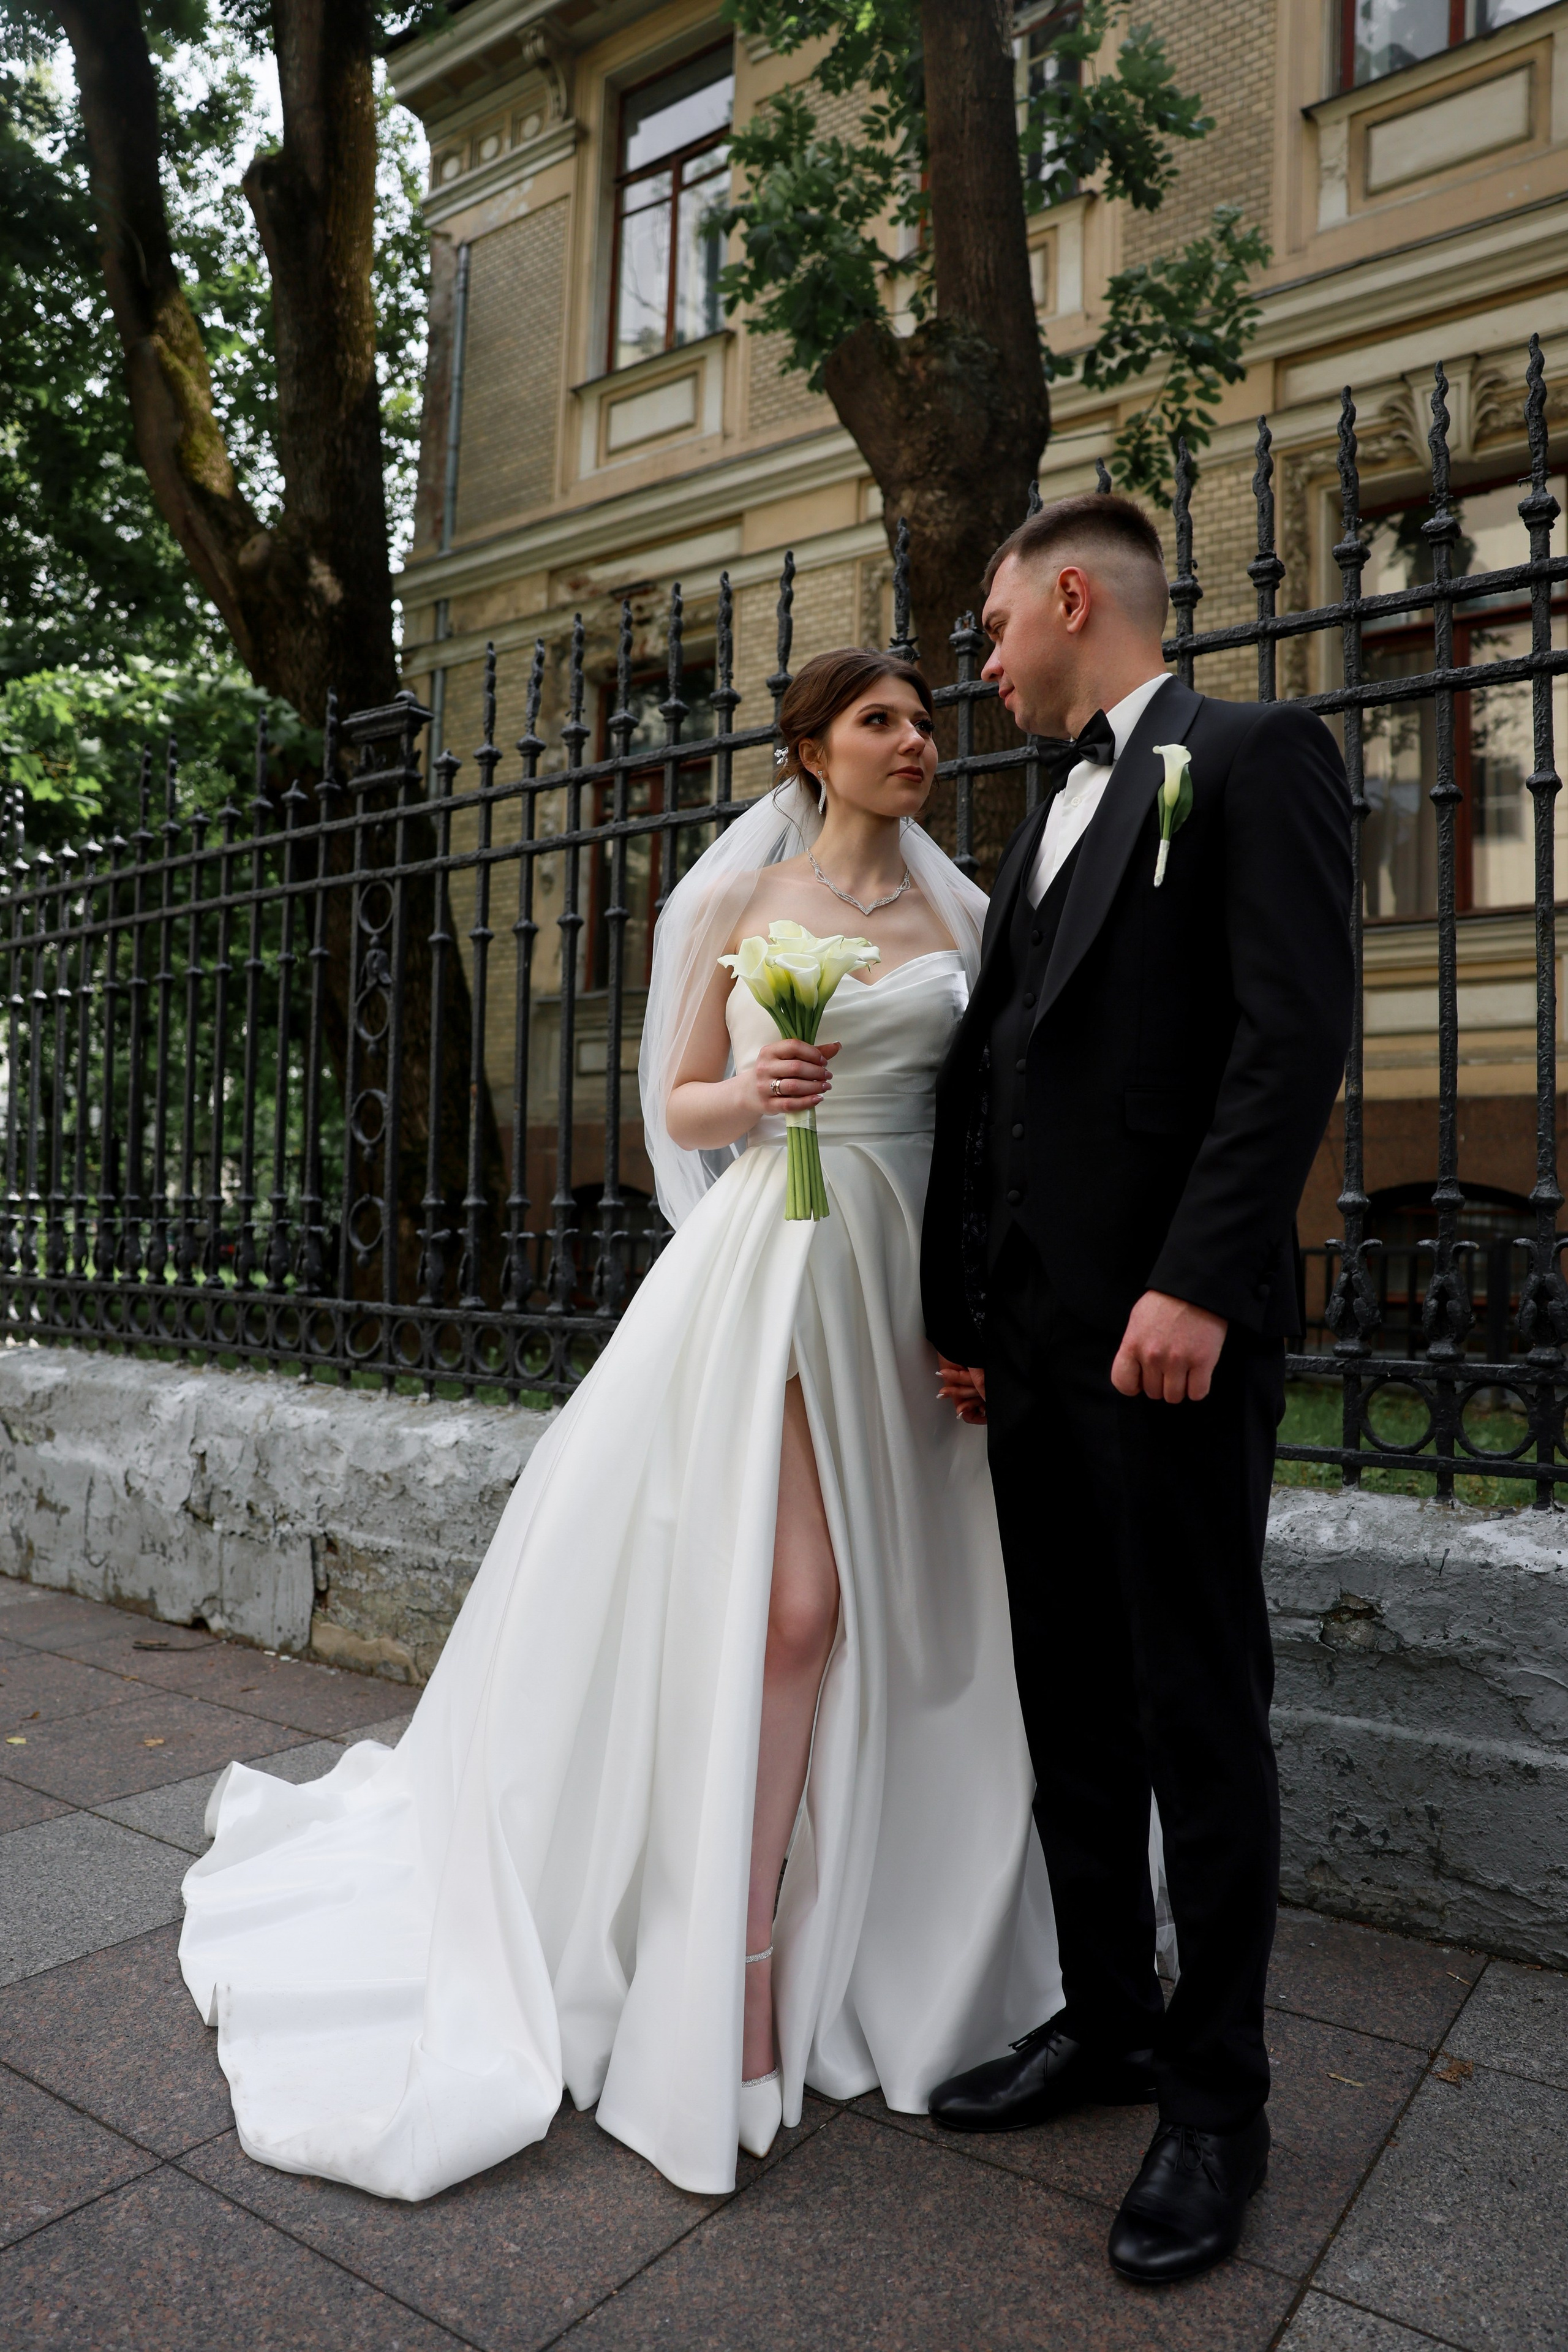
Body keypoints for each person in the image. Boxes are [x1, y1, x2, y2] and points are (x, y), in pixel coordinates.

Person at [178, 647, 1060, 2203]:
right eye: (880, 721)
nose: (917, 741)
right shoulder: (735, 905)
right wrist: (765, 1092)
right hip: (777, 1267)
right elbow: (681, 1107)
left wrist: (978, 1312)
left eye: (926, 721)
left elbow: (993, 1126)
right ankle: (730, 1965)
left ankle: (901, 1937)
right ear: (809, 750)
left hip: (909, 1289)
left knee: (918, 1618)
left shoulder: (965, 922)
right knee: (796, 1613)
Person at [921, 492, 1354, 2286]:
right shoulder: (1045, 816)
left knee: (1194, 1709)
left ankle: (1218, 2100)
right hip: (1029, 1351)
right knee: (1071, 1702)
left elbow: (1289, 1036)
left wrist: (1195, 1278)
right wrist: (966, 1307)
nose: (987, 665)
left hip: (1168, 1342)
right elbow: (1000, 1067)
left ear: (1071, 597)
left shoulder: (1255, 758)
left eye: (998, 631)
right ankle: (1109, 2018)